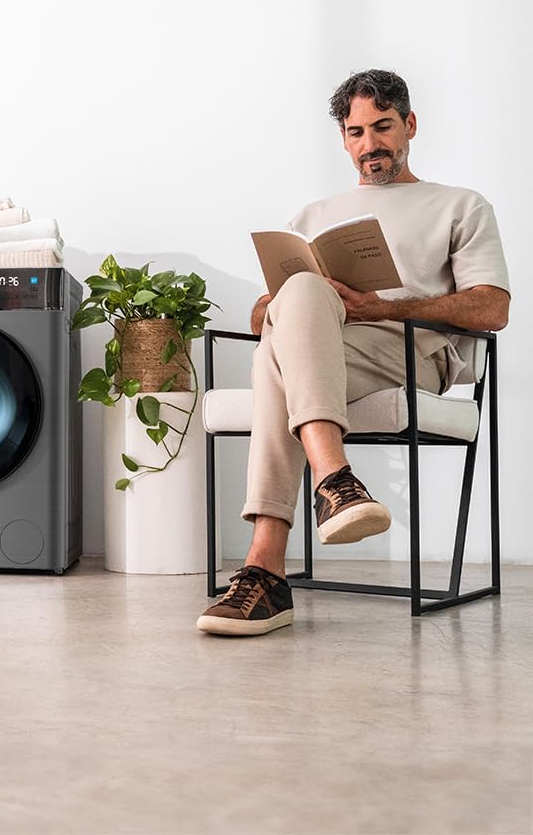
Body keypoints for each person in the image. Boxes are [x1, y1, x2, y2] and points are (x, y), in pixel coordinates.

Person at [197, 69, 511, 636]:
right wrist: (292, 298)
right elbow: (258, 319)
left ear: (409, 125)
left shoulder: (460, 204)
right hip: (322, 347)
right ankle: (333, 484)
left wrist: (381, 307)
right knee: (288, 326)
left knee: (278, 362)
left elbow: (492, 310)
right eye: (356, 132)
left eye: (383, 127)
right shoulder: (312, 216)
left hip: (413, 351)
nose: (370, 145)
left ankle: (266, 571)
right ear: (343, 139)